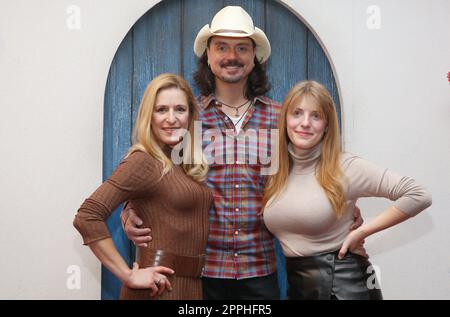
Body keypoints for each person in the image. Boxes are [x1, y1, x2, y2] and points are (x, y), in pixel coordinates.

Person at [121, 6, 362, 300]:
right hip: (201, 272)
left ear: (254, 57)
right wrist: (130, 210)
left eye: (241, 48)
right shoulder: (188, 118)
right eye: (221, 47)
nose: (231, 56)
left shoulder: (280, 119)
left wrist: (343, 205)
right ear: (207, 56)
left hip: (260, 271)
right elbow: (150, 168)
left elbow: (315, 169)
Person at [262, 80, 432, 300]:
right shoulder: (278, 171)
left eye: (316, 116)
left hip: (346, 287)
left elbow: (418, 194)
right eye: (297, 113)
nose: (305, 123)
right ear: (285, 118)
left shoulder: (345, 167)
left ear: (327, 126)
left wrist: (363, 231)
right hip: (301, 288)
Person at [73, 73, 212, 300]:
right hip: (159, 289)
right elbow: (87, 216)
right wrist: (128, 275)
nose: (171, 118)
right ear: (149, 116)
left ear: (190, 115)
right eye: (161, 110)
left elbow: (160, 204)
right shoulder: (144, 160)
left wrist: (130, 209)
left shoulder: (182, 162)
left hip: (189, 288)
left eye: (179, 109)